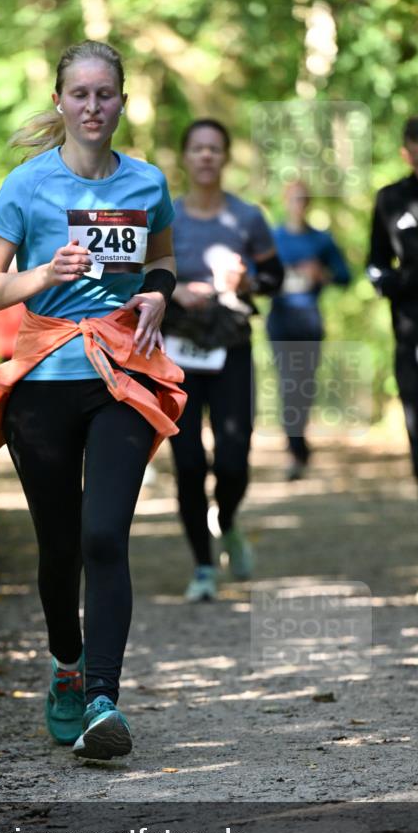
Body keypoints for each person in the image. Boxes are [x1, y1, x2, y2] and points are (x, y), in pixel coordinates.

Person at [0, 41, 186, 758]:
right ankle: (65, 665)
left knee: (101, 536)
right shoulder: (27, 186)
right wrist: (41, 274)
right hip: (44, 381)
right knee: (58, 548)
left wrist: (156, 293)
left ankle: (101, 699)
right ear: (59, 101)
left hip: (121, 374)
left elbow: (163, 258)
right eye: (80, 94)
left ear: (123, 101)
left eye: (106, 94)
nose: (93, 107)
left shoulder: (147, 183)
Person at [163, 119, 284, 602]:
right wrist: (176, 290)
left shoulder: (246, 217)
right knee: (189, 461)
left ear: (226, 156)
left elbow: (274, 276)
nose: (207, 156)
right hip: (177, 354)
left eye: (215, 148)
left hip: (231, 349)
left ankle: (228, 522)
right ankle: (203, 567)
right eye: (198, 149)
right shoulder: (165, 216)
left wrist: (246, 283)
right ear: (186, 158)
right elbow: (141, 279)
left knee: (234, 461)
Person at [367, 113, 418, 604]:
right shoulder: (391, 200)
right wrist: (390, 284)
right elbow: (375, 263)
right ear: (407, 158)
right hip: (417, 344)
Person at [269, 181, 351, 480]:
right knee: (287, 383)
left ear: (309, 203)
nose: (298, 203)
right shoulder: (273, 238)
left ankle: (300, 443)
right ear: (285, 200)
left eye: (303, 198)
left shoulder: (321, 240)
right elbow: (257, 277)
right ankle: (295, 450)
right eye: (293, 198)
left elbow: (345, 276)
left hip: (309, 320)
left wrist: (322, 273)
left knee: (303, 385)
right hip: (280, 319)